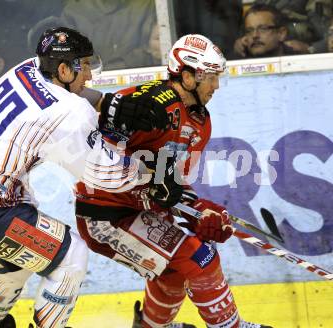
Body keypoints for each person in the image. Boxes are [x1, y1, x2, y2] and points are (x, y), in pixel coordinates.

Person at [0, 26, 155, 328]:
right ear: (63, 68)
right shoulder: (70, 114)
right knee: (70, 257)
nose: (90, 75)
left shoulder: (25, 68)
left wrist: (106, 103)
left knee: (13, 261)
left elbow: (64, 93)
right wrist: (150, 173)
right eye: (84, 66)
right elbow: (105, 174)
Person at [75, 34, 273, 327]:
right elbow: (97, 147)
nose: (216, 86)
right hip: (104, 213)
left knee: (174, 270)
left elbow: (169, 183)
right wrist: (153, 186)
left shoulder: (199, 123)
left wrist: (199, 211)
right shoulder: (147, 104)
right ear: (188, 76)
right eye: (211, 78)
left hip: (137, 211)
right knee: (200, 259)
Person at [232, 4, 307, 58]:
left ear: (281, 34)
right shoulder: (236, 65)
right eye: (249, 31)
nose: (255, 35)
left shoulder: (300, 62)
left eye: (263, 29)